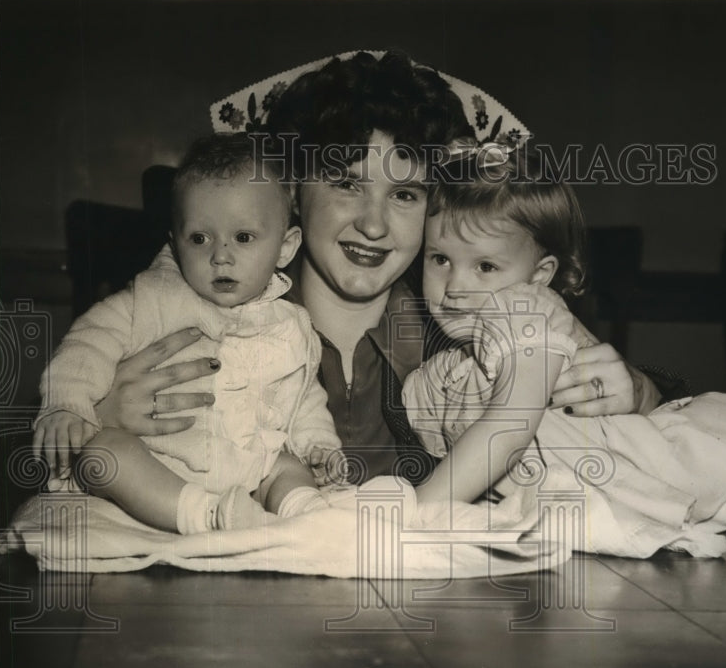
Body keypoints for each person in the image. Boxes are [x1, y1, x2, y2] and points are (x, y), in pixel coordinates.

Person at [89, 51, 675, 486]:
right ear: (294, 194)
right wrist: (99, 415)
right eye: (346, 184)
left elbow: (668, 407)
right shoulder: (201, 305)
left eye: (405, 194)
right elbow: (68, 438)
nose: (373, 225)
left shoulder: (469, 312)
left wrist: (639, 391)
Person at [400, 146, 726, 556]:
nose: (455, 287)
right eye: (439, 258)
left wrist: (410, 517)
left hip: (704, 469)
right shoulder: (446, 373)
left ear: (539, 277)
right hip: (695, 467)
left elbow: (507, 429)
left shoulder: (524, 314)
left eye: (485, 266)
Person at [33, 134, 342, 533]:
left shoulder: (292, 325)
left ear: (285, 247)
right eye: (199, 238)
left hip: (247, 469)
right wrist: (67, 403)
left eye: (243, 237)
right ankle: (206, 516)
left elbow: (304, 399)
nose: (220, 256)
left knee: (285, 467)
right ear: (175, 244)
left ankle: (309, 516)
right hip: (158, 464)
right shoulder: (152, 299)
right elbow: (87, 342)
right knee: (105, 454)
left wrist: (319, 446)